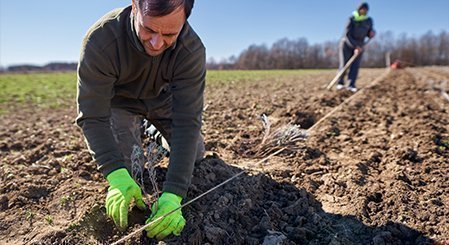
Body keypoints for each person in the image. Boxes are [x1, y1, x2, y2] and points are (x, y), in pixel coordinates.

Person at [76, 0, 205, 240]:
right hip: (120, 104)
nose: (157, 43)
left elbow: (188, 124)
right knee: (130, 170)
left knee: (196, 153)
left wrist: (173, 194)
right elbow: (93, 116)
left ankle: (152, 132)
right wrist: (115, 174)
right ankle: (135, 130)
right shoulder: (102, 40)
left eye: (169, 34)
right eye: (148, 29)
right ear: (135, 5)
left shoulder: (191, 50)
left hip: (162, 102)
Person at [336, 2, 375, 92]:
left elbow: (370, 31)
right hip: (347, 44)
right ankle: (340, 83)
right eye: (362, 9)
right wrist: (355, 46)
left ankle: (351, 84)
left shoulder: (369, 20)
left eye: (366, 10)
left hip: (360, 45)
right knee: (344, 64)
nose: (364, 11)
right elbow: (347, 35)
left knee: (355, 66)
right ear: (359, 9)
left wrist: (372, 33)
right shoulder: (352, 19)